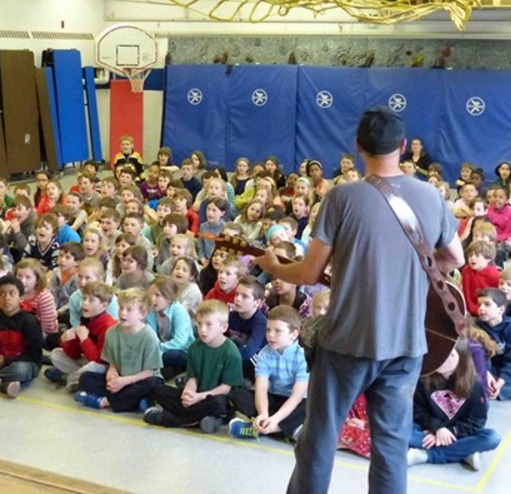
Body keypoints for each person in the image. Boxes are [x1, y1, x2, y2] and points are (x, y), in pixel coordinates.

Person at [254, 107, 463, 494]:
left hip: (347, 342)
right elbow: (454, 259)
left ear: (358, 147)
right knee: (390, 446)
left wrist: (273, 265)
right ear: (403, 147)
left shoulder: (341, 198)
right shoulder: (431, 196)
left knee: (319, 439)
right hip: (406, 344)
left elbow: (308, 274)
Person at [143, 299, 243, 432]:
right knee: (160, 391)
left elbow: (226, 388)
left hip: (215, 398)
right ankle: (197, 419)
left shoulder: (231, 351)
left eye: (209, 325)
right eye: (199, 324)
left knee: (217, 403)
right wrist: (188, 393)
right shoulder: (195, 347)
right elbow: (192, 378)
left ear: (223, 327)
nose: (202, 330)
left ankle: (168, 419)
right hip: (198, 396)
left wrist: (199, 397)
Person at [406, 336, 501, 471]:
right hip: (428, 428)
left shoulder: (475, 384)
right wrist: (437, 428)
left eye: (449, 355)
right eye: (438, 353)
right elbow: (416, 411)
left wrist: (450, 432)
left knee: (492, 438)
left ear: (461, 358)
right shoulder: (424, 378)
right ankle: (463, 452)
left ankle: (428, 455)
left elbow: (476, 422)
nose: (442, 359)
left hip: (458, 432)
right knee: (401, 430)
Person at [75, 288, 163, 412]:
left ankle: (106, 401)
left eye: (129, 310)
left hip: (140, 379)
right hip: (122, 378)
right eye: (121, 308)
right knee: (86, 378)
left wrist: (125, 381)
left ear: (142, 314)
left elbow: (149, 372)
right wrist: (111, 376)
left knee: (154, 384)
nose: (123, 313)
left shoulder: (150, 337)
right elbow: (113, 363)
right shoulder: (111, 333)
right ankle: (135, 401)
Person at [229, 305, 309, 442]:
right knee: (238, 395)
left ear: (294, 334)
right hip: (273, 398)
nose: (271, 335)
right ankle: (285, 429)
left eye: (278, 331)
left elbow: (297, 396)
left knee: (311, 406)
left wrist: (275, 419)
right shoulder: (265, 353)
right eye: (268, 330)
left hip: (295, 402)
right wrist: (263, 414)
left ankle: (265, 429)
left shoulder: (303, 356)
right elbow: (261, 388)